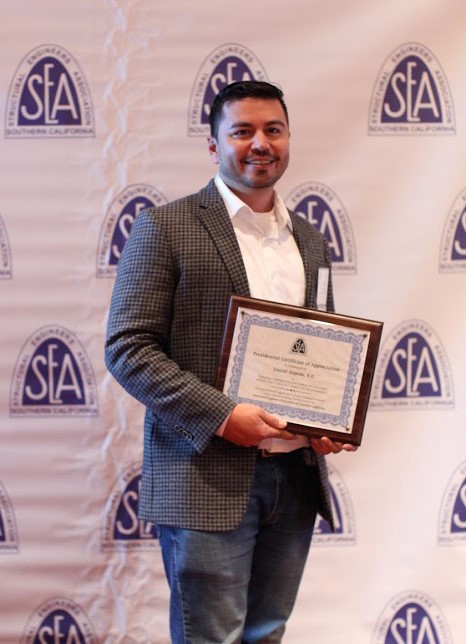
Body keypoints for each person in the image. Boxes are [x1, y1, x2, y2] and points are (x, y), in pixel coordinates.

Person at [105, 80, 356, 643]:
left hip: (293, 477)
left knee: (267, 633)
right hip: (205, 473)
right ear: (215, 146)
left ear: (289, 138)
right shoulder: (166, 228)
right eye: (242, 131)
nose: (260, 143)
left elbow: (320, 348)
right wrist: (222, 415)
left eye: (273, 129)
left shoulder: (311, 240)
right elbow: (128, 348)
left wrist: (330, 422)